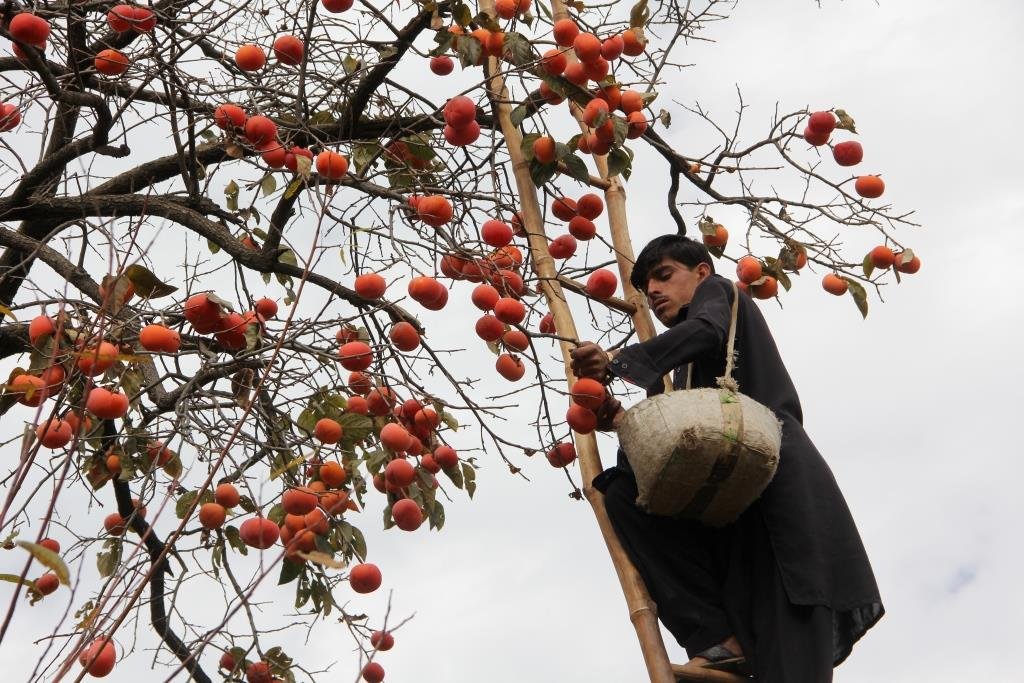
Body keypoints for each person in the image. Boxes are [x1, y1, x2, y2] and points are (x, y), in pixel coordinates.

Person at [571, 235, 884, 682]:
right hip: (729, 524)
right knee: (621, 493)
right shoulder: (680, 377)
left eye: (664, 276)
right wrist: (615, 415)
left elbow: (707, 330)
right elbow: (663, 443)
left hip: (780, 505)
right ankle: (716, 635)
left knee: (789, 638)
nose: (654, 291)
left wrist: (619, 363)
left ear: (701, 272)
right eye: (646, 287)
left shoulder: (720, 295)